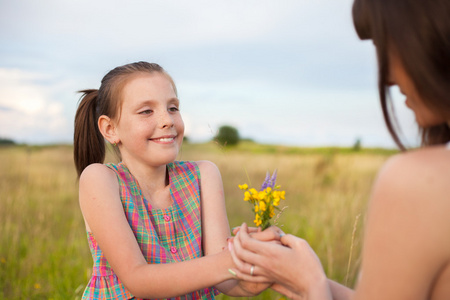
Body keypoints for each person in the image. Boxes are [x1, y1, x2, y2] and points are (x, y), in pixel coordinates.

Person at [228, 0, 450, 299]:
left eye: (388, 44)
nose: (387, 77)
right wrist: (299, 276)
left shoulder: (418, 181)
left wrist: (313, 286)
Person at [73, 61, 271, 299]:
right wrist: (231, 260)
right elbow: (138, 280)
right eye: (147, 111)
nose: (167, 120)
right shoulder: (100, 180)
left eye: (173, 108)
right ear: (110, 129)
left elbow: (226, 281)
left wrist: (257, 262)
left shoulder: (203, 175)